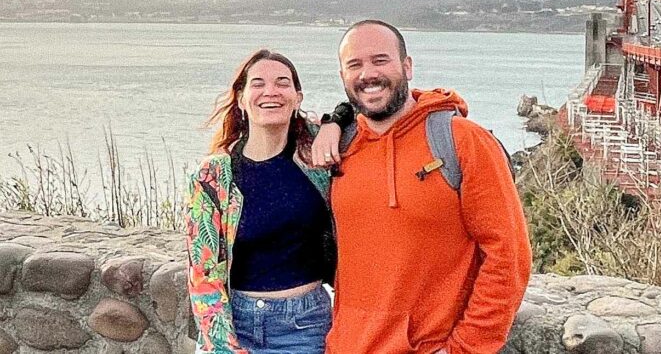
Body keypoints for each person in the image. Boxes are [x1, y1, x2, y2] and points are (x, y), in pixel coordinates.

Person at [312, 20, 531, 354]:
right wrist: (334, 120)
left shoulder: (462, 141)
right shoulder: (339, 148)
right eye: (354, 65)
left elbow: (509, 257)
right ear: (343, 76)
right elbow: (270, 117)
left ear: (407, 66)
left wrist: (465, 347)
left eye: (380, 60)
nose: (368, 74)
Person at [186, 49, 352, 353]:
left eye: (282, 83)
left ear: (297, 97)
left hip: (305, 328)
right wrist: (223, 347)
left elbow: (374, 103)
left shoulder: (316, 155)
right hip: (234, 325)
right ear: (241, 99)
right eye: (258, 83)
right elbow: (203, 274)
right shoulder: (213, 175)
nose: (270, 91)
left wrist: (336, 121)